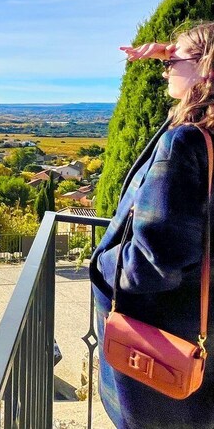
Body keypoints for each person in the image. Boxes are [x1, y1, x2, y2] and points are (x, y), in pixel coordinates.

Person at [90, 22, 214, 428]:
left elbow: (151, 263)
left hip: (162, 347)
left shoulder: (186, 144)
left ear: (205, 69)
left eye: (171, 61)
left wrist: (103, 262)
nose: (164, 70)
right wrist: (173, 53)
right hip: (202, 334)